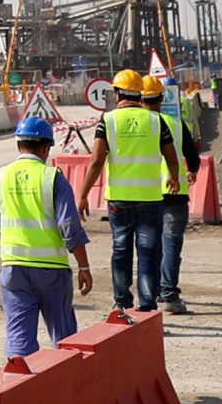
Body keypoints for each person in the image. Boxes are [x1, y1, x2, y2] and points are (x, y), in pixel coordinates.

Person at [76, 68, 184, 312]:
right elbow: (171, 154)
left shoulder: (109, 120)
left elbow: (96, 161)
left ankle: (122, 304)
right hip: (150, 199)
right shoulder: (155, 120)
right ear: (139, 95)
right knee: (148, 252)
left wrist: (83, 195)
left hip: (119, 200)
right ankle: (147, 305)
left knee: (121, 249)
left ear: (117, 94)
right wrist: (174, 177)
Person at [0, 115, 94, 356]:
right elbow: (70, 227)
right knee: (65, 337)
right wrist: (84, 266)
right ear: (47, 147)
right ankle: (67, 388)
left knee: (19, 337)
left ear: (18, 145)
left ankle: (20, 384)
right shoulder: (52, 178)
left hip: (13, 269)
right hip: (52, 271)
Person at [149, 77, 203, 314]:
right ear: (162, 99)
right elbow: (193, 157)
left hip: (145, 194)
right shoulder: (176, 124)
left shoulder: (136, 125)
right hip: (174, 192)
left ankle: (149, 292)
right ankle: (169, 293)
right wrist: (191, 171)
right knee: (171, 243)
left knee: (148, 244)